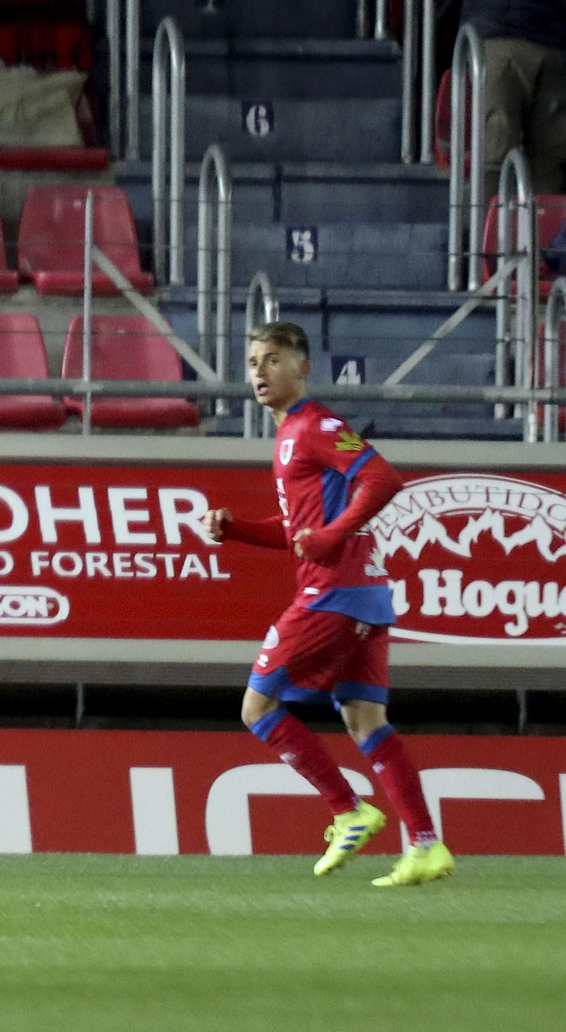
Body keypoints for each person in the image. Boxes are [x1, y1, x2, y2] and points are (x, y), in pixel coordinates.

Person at [202, 321, 455, 888]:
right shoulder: (289, 436)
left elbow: (383, 479)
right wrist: (236, 529)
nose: (260, 373)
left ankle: (347, 810)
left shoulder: (317, 426)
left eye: (272, 361)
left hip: (334, 593)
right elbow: (298, 531)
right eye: (253, 363)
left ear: (302, 368)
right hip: (366, 598)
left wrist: (335, 536)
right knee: (366, 720)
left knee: (257, 709)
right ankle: (425, 845)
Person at [463, 0, 566, 200]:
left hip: (500, 31)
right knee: (547, 164)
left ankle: (489, 226)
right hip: (539, 37)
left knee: (497, 157)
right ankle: (493, 227)